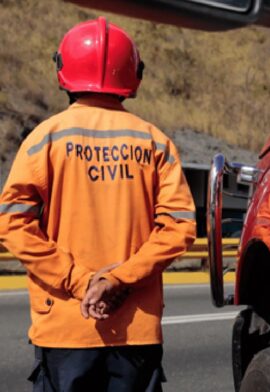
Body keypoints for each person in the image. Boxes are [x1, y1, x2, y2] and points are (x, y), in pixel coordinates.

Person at [0, 16, 196, 391]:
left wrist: (80, 281)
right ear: (132, 74)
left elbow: (12, 223)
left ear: (63, 70)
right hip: (134, 330)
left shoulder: (45, 139)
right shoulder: (154, 142)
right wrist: (117, 280)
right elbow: (180, 227)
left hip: (64, 328)